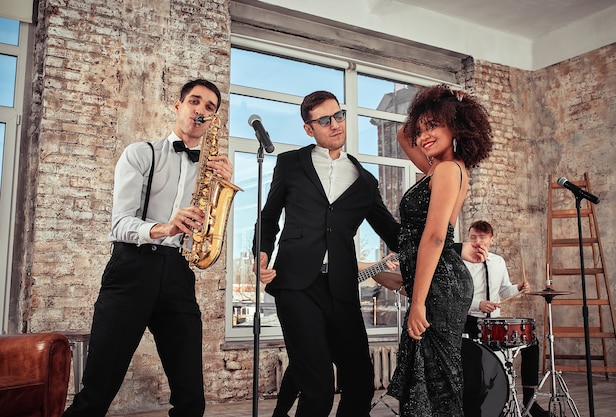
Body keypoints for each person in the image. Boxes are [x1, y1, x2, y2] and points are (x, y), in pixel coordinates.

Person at [62, 79, 233, 417]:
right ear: (178, 105)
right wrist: (164, 227)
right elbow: (119, 224)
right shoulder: (142, 153)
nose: (200, 110)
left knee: (191, 401)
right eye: (194, 102)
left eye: (209, 107)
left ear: (213, 119)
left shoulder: (212, 169)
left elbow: (211, 226)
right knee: (96, 394)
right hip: (131, 269)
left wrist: (223, 183)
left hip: (177, 273)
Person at [253, 90, 401, 417]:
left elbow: (392, 232)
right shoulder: (291, 164)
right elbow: (268, 216)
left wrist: (442, 243)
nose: (335, 124)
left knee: (361, 384)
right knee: (318, 389)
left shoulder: (364, 180)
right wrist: (261, 252)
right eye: (324, 120)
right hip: (296, 285)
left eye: (339, 115)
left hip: (342, 288)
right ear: (310, 129)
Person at [386, 84, 493, 416]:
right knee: (429, 378)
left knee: (437, 381)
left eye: (433, 125)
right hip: (437, 279)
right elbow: (405, 135)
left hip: (440, 285)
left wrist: (417, 302)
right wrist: (437, 97)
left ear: (456, 125)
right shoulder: (437, 168)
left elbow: (434, 238)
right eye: (423, 128)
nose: (422, 136)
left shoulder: (447, 170)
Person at [270, 256, 402, 417]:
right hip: (314, 306)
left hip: (336, 314)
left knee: (343, 371)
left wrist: (379, 265)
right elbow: (335, 263)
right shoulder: (312, 251)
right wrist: (378, 264)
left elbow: (347, 266)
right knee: (302, 367)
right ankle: (280, 411)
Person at [462, 220, 549, 417]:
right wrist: (478, 304)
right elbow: (455, 297)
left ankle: (529, 401)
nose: (477, 242)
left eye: (482, 238)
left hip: (493, 321)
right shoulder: (462, 262)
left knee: (531, 342)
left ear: (491, 240)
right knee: (478, 366)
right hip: (470, 321)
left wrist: (517, 288)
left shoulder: (498, 261)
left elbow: (504, 289)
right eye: (473, 237)